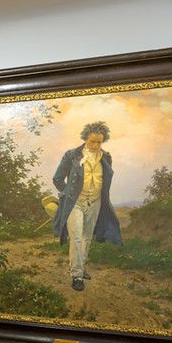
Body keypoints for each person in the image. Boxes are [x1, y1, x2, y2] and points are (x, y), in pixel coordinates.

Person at [52, 121, 122, 291]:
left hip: (95, 202)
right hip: (75, 203)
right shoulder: (71, 155)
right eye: (92, 141)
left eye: (99, 142)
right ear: (85, 139)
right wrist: (68, 194)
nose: (96, 145)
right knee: (76, 237)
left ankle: (81, 267)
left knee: (87, 237)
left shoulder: (106, 157)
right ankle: (76, 275)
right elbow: (57, 179)